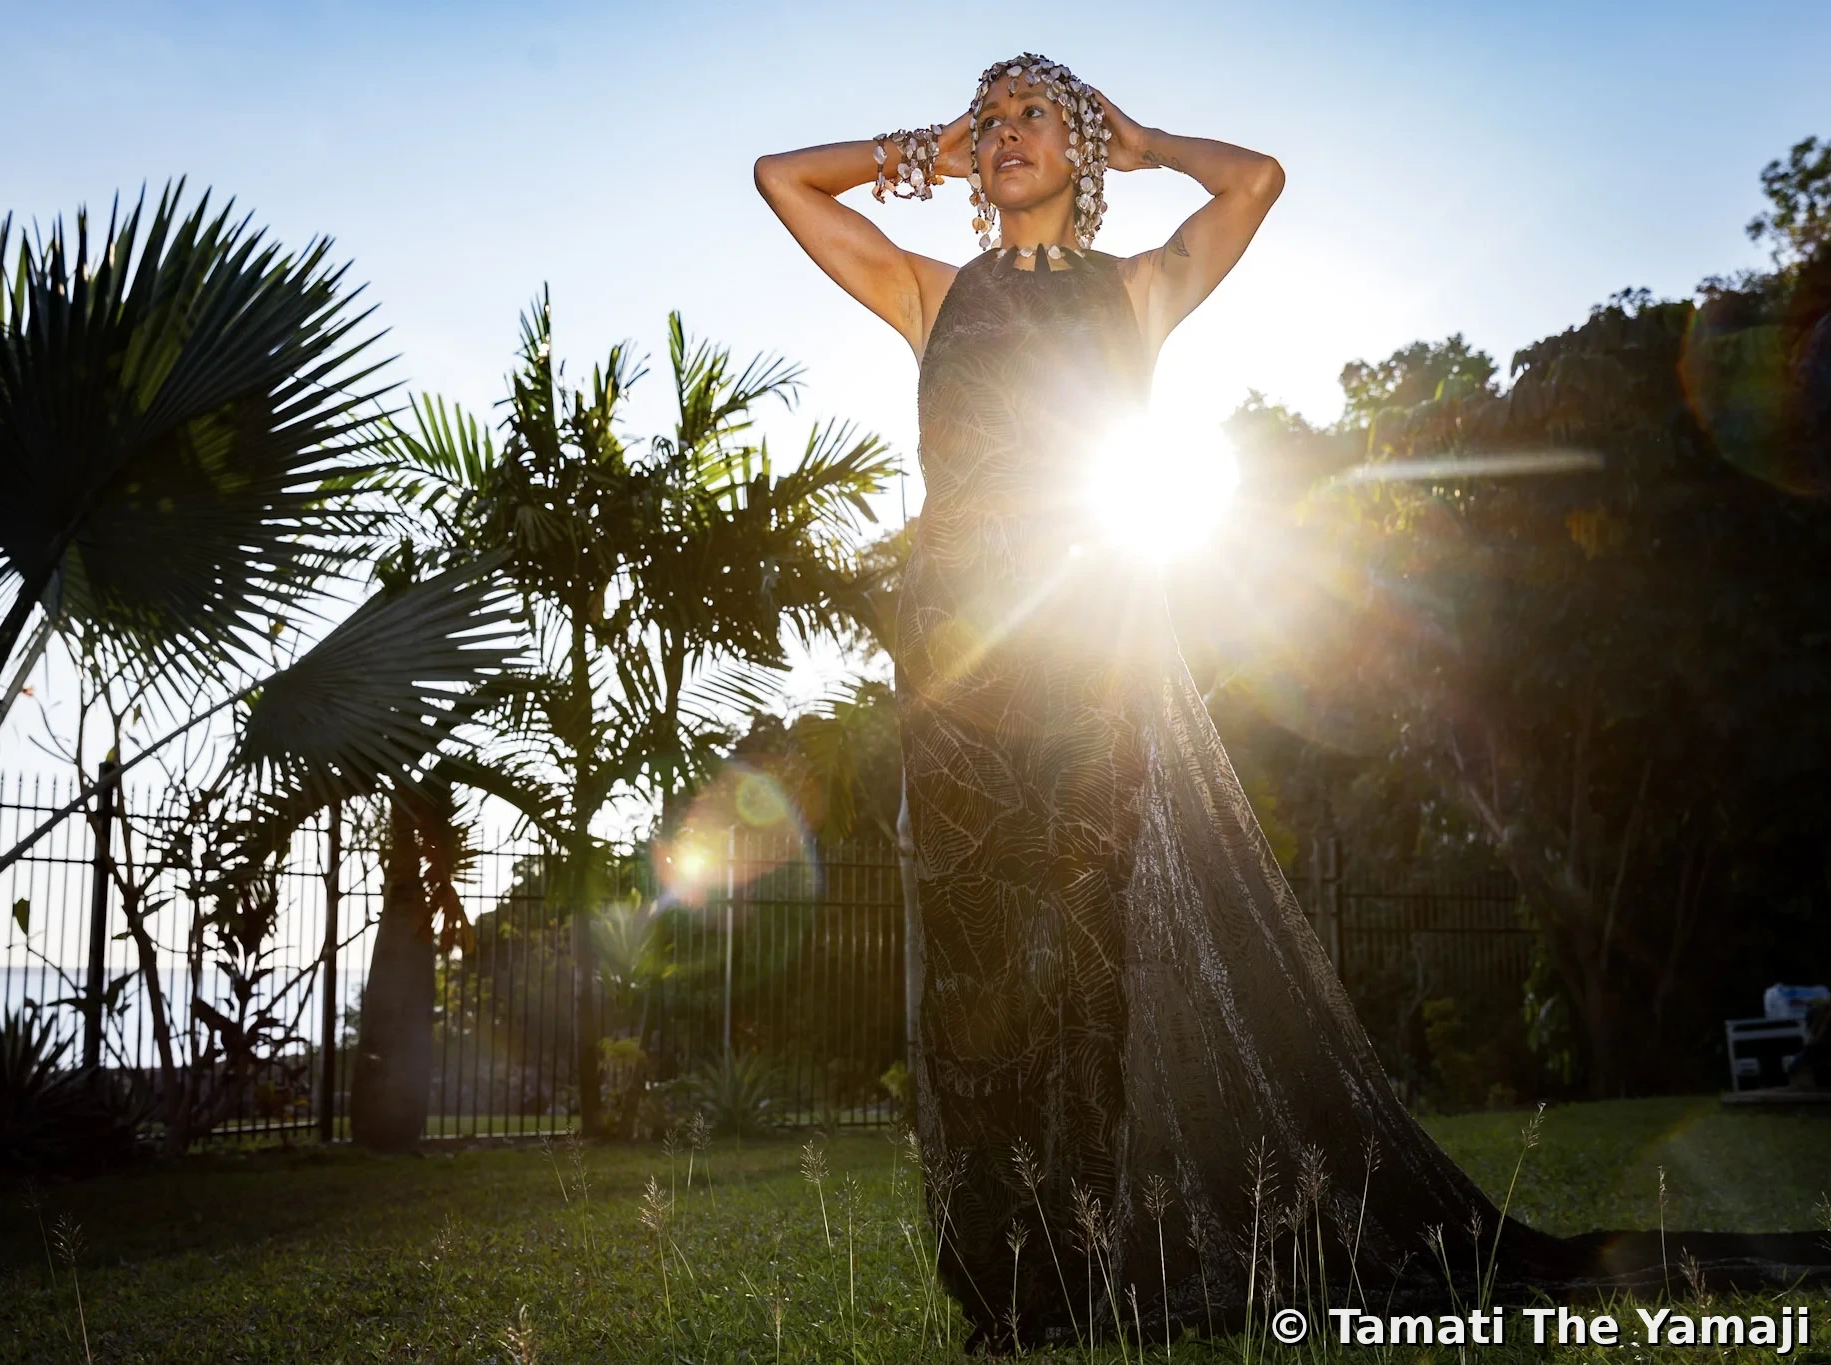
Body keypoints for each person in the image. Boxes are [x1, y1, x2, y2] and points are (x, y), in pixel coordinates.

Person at [757, 53, 1831, 1355]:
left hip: (1090, 653)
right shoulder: (935, 293)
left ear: (1081, 148)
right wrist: (921, 142)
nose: (1006, 134)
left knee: (1082, 979)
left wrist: (1141, 138)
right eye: (992, 121)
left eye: (1033, 112)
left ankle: (1074, 1278)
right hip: (956, 667)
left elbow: (1257, 180)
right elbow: (781, 179)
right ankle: (1006, 1298)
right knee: (978, 995)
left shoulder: (1138, 289)